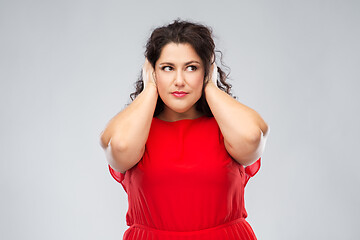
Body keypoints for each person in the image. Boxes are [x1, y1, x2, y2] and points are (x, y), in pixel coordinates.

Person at [100, 19, 270, 240]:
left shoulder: (226, 128)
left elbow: (251, 138)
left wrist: (210, 85)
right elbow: (120, 148)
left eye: (192, 68)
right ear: (152, 71)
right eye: (167, 68)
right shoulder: (137, 132)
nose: (179, 81)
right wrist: (150, 88)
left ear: (206, 71)